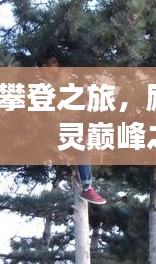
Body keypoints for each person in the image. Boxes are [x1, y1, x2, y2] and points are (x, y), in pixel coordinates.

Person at [40, 54, 106, 205]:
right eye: (53, 63)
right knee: (82, 146)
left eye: (57, 63)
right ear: (44, 66)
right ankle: (87, 188)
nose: (56, 66)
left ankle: (87, 186)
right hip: (50, 128)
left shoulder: (57, 82)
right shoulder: (39, 81)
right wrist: (62, 83)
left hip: (64, 125)